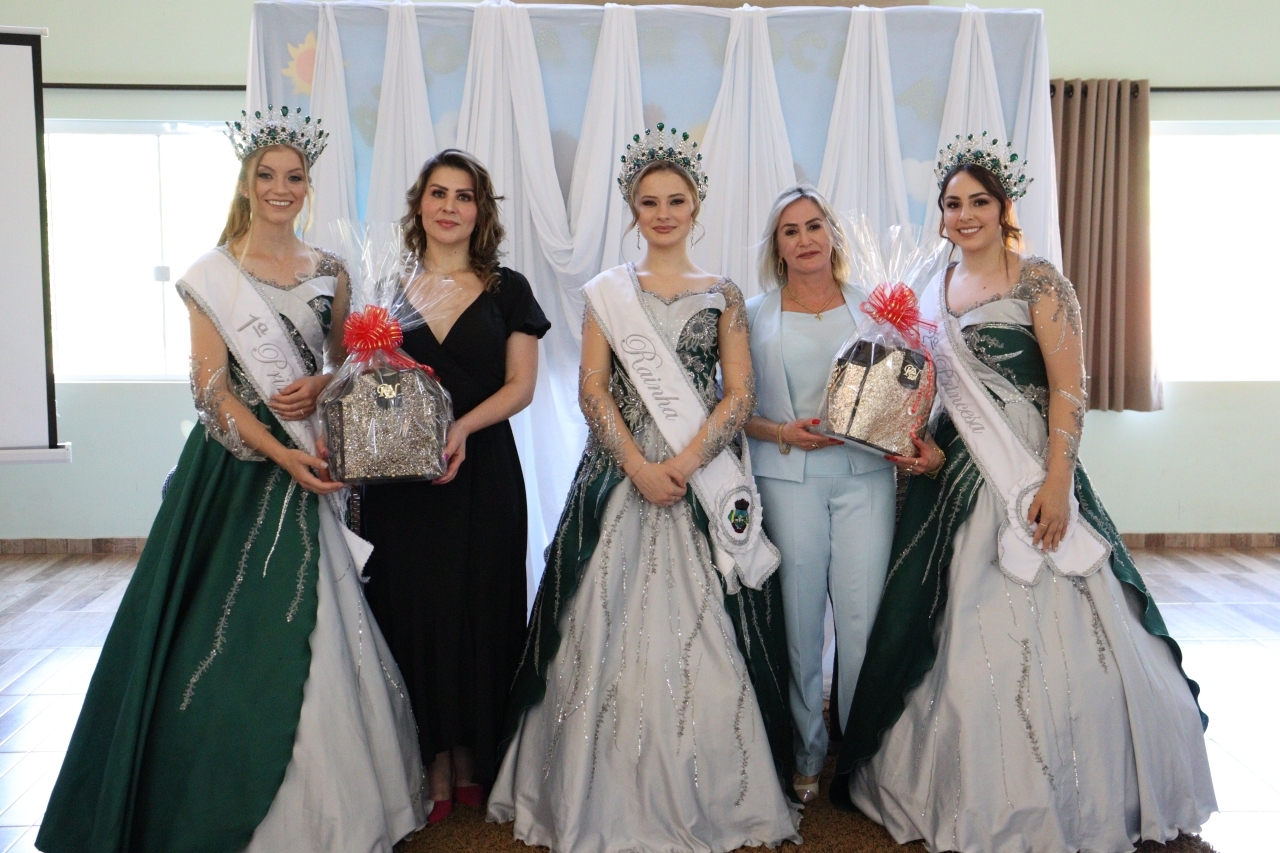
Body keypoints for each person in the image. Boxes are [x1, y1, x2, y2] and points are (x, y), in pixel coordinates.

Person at [36, 107, 426, 853]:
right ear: (247, 183)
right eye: (267, 175)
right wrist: (280, 453)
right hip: (233, 473)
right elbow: (210, 389)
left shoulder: (331, 270)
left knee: (316, 621)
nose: (280, 188)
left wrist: (326, 384)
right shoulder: (211, 275)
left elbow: (342, 364)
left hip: (310, 458)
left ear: (307, 185)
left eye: (294, 177)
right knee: (215, 630)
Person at [834, 133, 1216, 851]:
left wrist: (1059, 482)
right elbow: (930, 396)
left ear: (1003, 208)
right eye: (953, 204)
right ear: (941, 214)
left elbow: (1070, 389)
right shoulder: (930, 285)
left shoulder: (1040, 280)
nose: (965, 214)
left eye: (978, 201)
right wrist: (920, 452)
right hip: (958, 481)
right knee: (956, 635)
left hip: (1033, 471)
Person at [487, 125, 801, 853]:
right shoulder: (608, 293)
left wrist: (686, 462)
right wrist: (636, 465)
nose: (663, 214)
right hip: (620, 475)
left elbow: (739, 393)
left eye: (676, 201)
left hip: (700, 475)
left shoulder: (722, 293)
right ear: (633, 210)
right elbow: (591, 388)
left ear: (696, 207)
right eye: (650, 202)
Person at [359, 148, 550, 824]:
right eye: (437, 193)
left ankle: (474, 758)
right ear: (419, 205)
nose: (449, 206)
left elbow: (522, 387)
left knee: (483, 605)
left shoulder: (508, 289)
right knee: (412, 609)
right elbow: (367, 385)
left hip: (484, 471)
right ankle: (429, 759)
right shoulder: (386, 290)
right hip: (403, 481)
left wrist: (462, 428)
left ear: (480, 210)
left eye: (463, 196)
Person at [743, 186, 896, 804]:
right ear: (777, 247)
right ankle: (806, 754)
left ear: (833, 234)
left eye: (814, 226)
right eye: (790, 231)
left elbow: (904, 392)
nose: (804, 239)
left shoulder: (877, 307)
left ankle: (857, 759)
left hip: (865, 479)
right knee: (801, 625)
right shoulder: (752, 314)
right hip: (787, 483)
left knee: (861, 624)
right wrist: (782, 432)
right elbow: (733, 408)